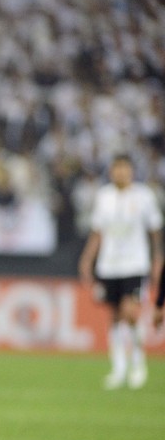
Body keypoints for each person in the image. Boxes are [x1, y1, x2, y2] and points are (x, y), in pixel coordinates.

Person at [78, 154, 163, 390]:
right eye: (116, 169)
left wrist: (158, 260)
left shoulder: (144, 196)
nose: (120, 173)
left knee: (130, 312)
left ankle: (138, 363)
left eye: (124, 169)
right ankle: (118, 368)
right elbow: (97, 232)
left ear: (132, 171)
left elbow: (155, 232)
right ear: (111, 172)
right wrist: (87, 260)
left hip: (135, 264)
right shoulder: (104, 196)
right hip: (109, 265)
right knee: (114, 316)